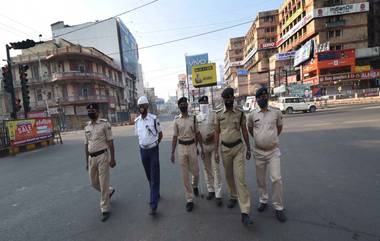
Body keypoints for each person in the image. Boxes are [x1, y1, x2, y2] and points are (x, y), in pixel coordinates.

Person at [247, 87, 287, 223]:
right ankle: (263, 200)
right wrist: (260, 139)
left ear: (267, 97)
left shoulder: (276, 113)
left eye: (265, 96)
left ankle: (279, 207)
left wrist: (271, 139)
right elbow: (250, 129)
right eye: (260, 97)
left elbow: (279, 128)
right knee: (260, 179)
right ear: (256, 99)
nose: (262, 99)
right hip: (258, 152)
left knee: (276, 178)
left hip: (273, 151)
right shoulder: (252, 115)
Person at [215, 87, 253, 226]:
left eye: (230, 98)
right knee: (228, 176)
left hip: (238, 148)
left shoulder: (240, 113)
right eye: (225, 99)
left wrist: (248, 148)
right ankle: (233, 195)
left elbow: (244, 130)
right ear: (223, 100)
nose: (228, 100)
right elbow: (216, 133)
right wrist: (215, 152)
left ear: (233, 98)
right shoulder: (218, 113)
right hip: (225, 149)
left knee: (241, 179)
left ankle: (245, 212)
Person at [171, 97, 205, 212]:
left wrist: (202, 148)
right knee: (185, 175)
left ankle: (194, 185)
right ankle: (189, 199)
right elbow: (175, 137)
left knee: (196, 172)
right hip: (181, 148)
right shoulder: (176, 120)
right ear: (179, 106)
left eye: (185, 103)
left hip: (192, 147)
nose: (183, 105)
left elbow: (198, 133)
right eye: (181, 104)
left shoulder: (193, 118)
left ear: (187, 105)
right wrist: (172, 152)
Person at [84, 103, 116, 222]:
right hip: (91, 158)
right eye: (89, 110)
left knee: (103, 183)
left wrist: (113, 158)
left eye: (93, 110)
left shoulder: (104, 124)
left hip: (103, 156)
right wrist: (86, 161)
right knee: (93, 183)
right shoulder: (86, 127)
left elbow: (111, 142)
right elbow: (86, 144)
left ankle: (105, 208)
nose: (90, 112)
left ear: (98, 112)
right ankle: (110, 191)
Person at [135, 96, 163, 215]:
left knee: (154, 175)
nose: (142, 108)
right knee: (149, 175)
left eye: (144, 106)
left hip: (153, 150)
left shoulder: (154, 119)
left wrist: (155, 143)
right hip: (143, 151)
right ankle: (155, 192)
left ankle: (153, 204)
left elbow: (160, 134)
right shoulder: (136, 122)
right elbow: (138, 135)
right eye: (140, 106)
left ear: (147, 106)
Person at [196, 95, 223, 206]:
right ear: (199, 104)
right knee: (206, 170)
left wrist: (212, 136)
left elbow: (218, 129)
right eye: (201, 103)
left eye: (205, 102)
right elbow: (197, 134)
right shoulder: (196, 117)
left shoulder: (214, 114)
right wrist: (200, 148)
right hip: (204, 147)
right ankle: (211, 190)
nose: (203, 104)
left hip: (214, 146)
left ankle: (218, 194)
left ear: (208, 103)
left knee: (216, 169)